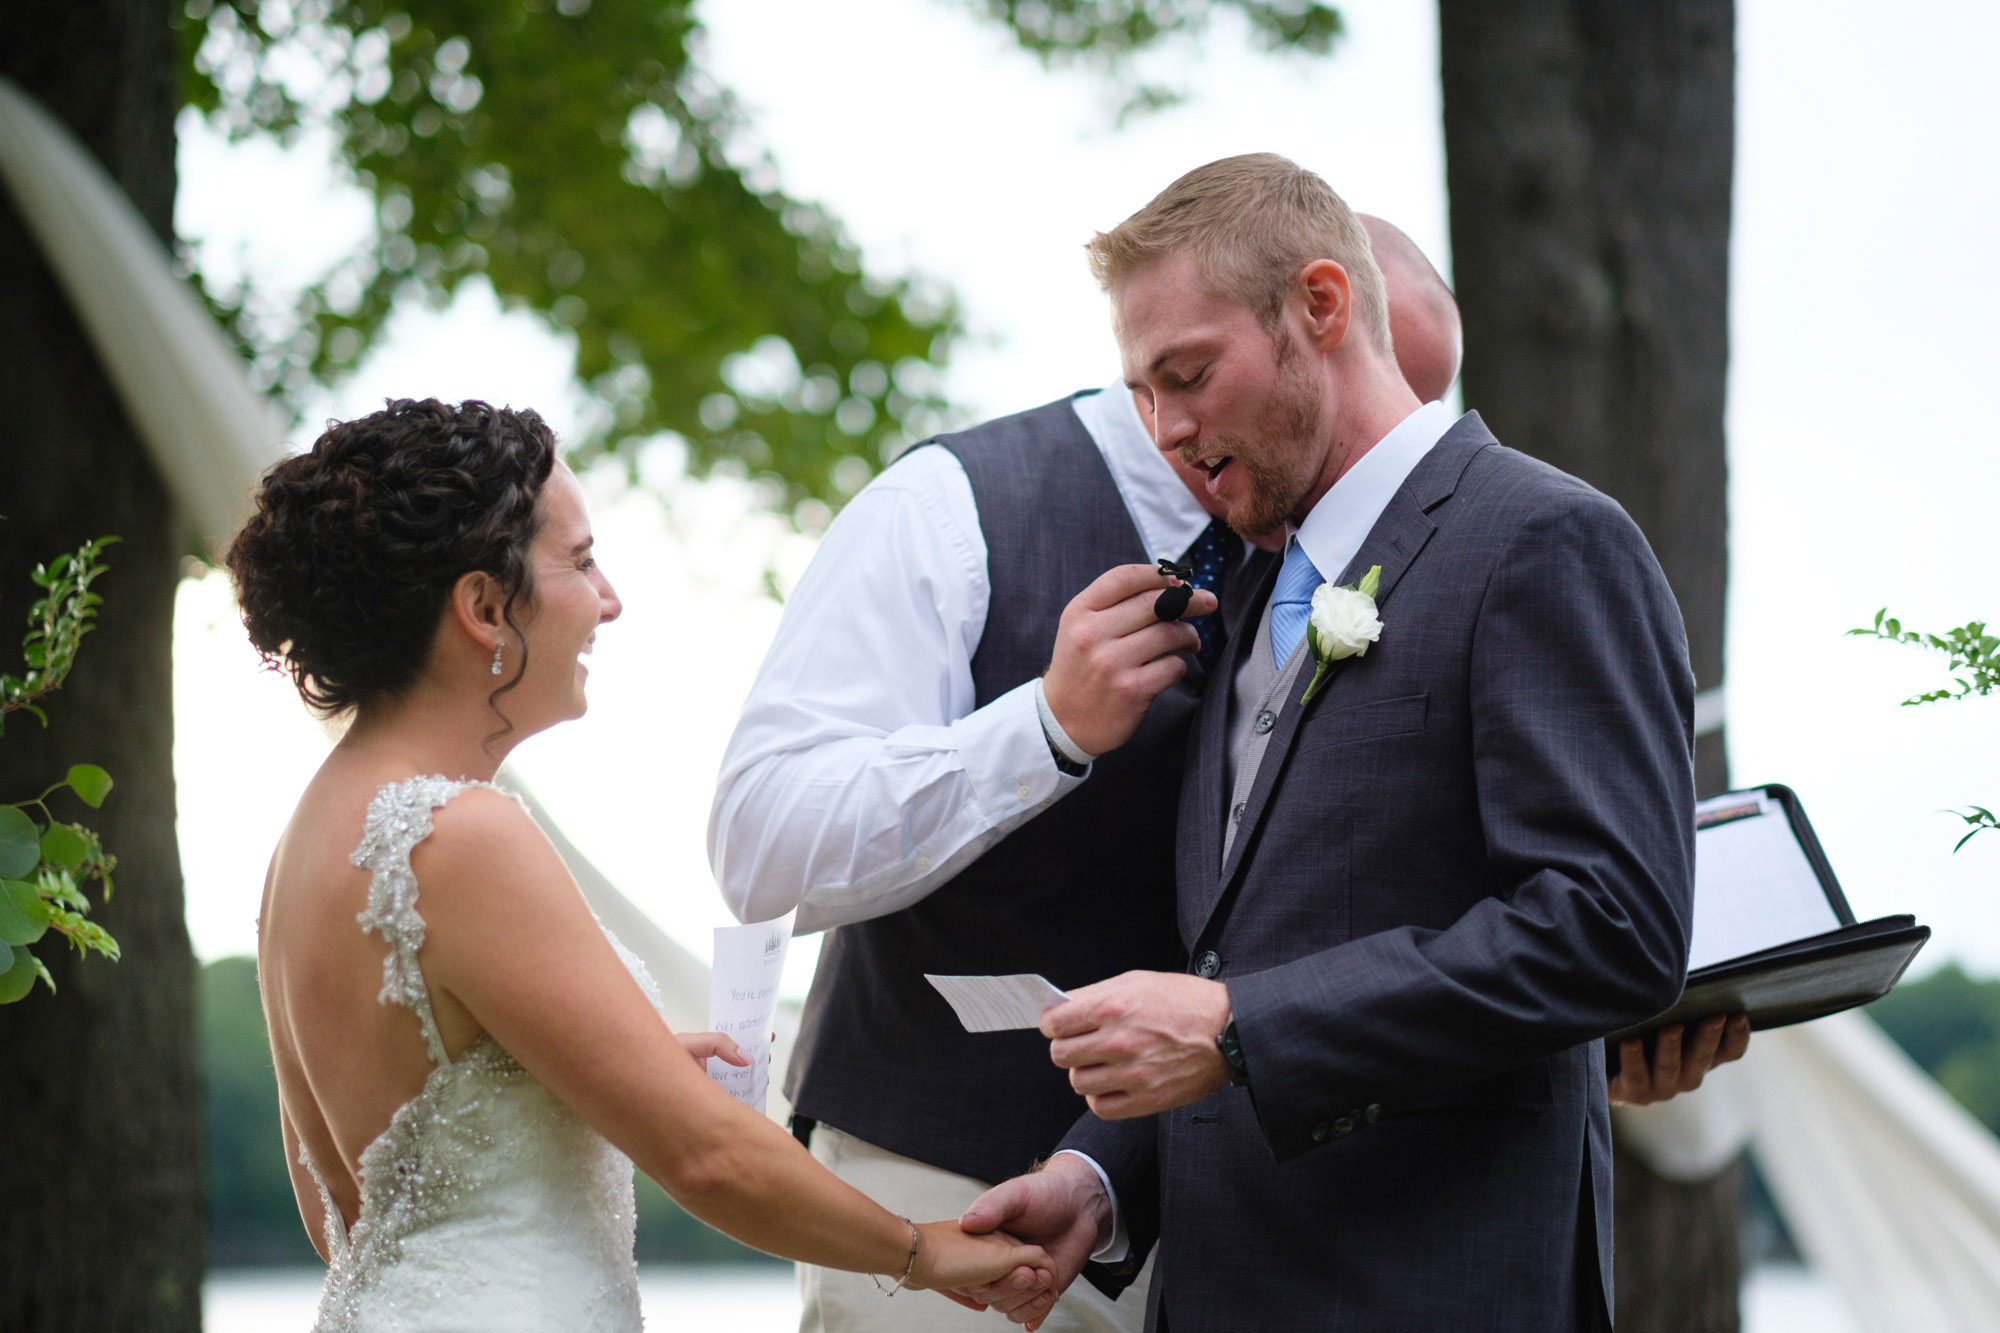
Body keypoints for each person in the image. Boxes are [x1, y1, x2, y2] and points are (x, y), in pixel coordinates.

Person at [957, 154, 1701, 1332]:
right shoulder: (1248, 593)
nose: (1164, 428)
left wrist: (1243, 1029)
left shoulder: (1544, 539)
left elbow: (1609, 927)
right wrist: (1095, 1180)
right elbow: (1229, 966)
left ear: (1319, 304)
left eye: (1186, 374)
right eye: (1140, 392)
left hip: (1433, 1292)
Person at [229, 399, 1050, 1330]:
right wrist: (924, 1249)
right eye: (580, 562)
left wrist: (599, 1078)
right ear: (484, 607)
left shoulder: (305, 842)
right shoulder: (459, 835)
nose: (610, 599)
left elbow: (338, 1208)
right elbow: (707, 1157)